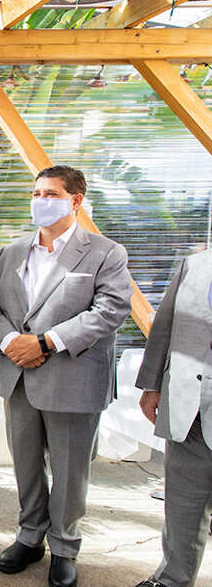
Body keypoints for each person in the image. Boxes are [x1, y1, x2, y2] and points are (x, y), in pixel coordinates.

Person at [0, 165, 132, 587]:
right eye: (36, 193)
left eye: (50, 194)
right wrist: (11, 340)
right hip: (17, 376)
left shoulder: (105, 252)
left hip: (72, 376)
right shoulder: (11, 251)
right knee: (25, 465)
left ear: (75, 201)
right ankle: (29, 537)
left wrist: (45, 342)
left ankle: (64, 547)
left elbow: (110, 311)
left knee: (68, 471)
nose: (40, 201)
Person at [133, 252, 212, 587]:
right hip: (187, 407)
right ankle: (172, 580)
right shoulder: (195, 264)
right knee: (182, 507)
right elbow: (164, 327)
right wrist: (152, 384)